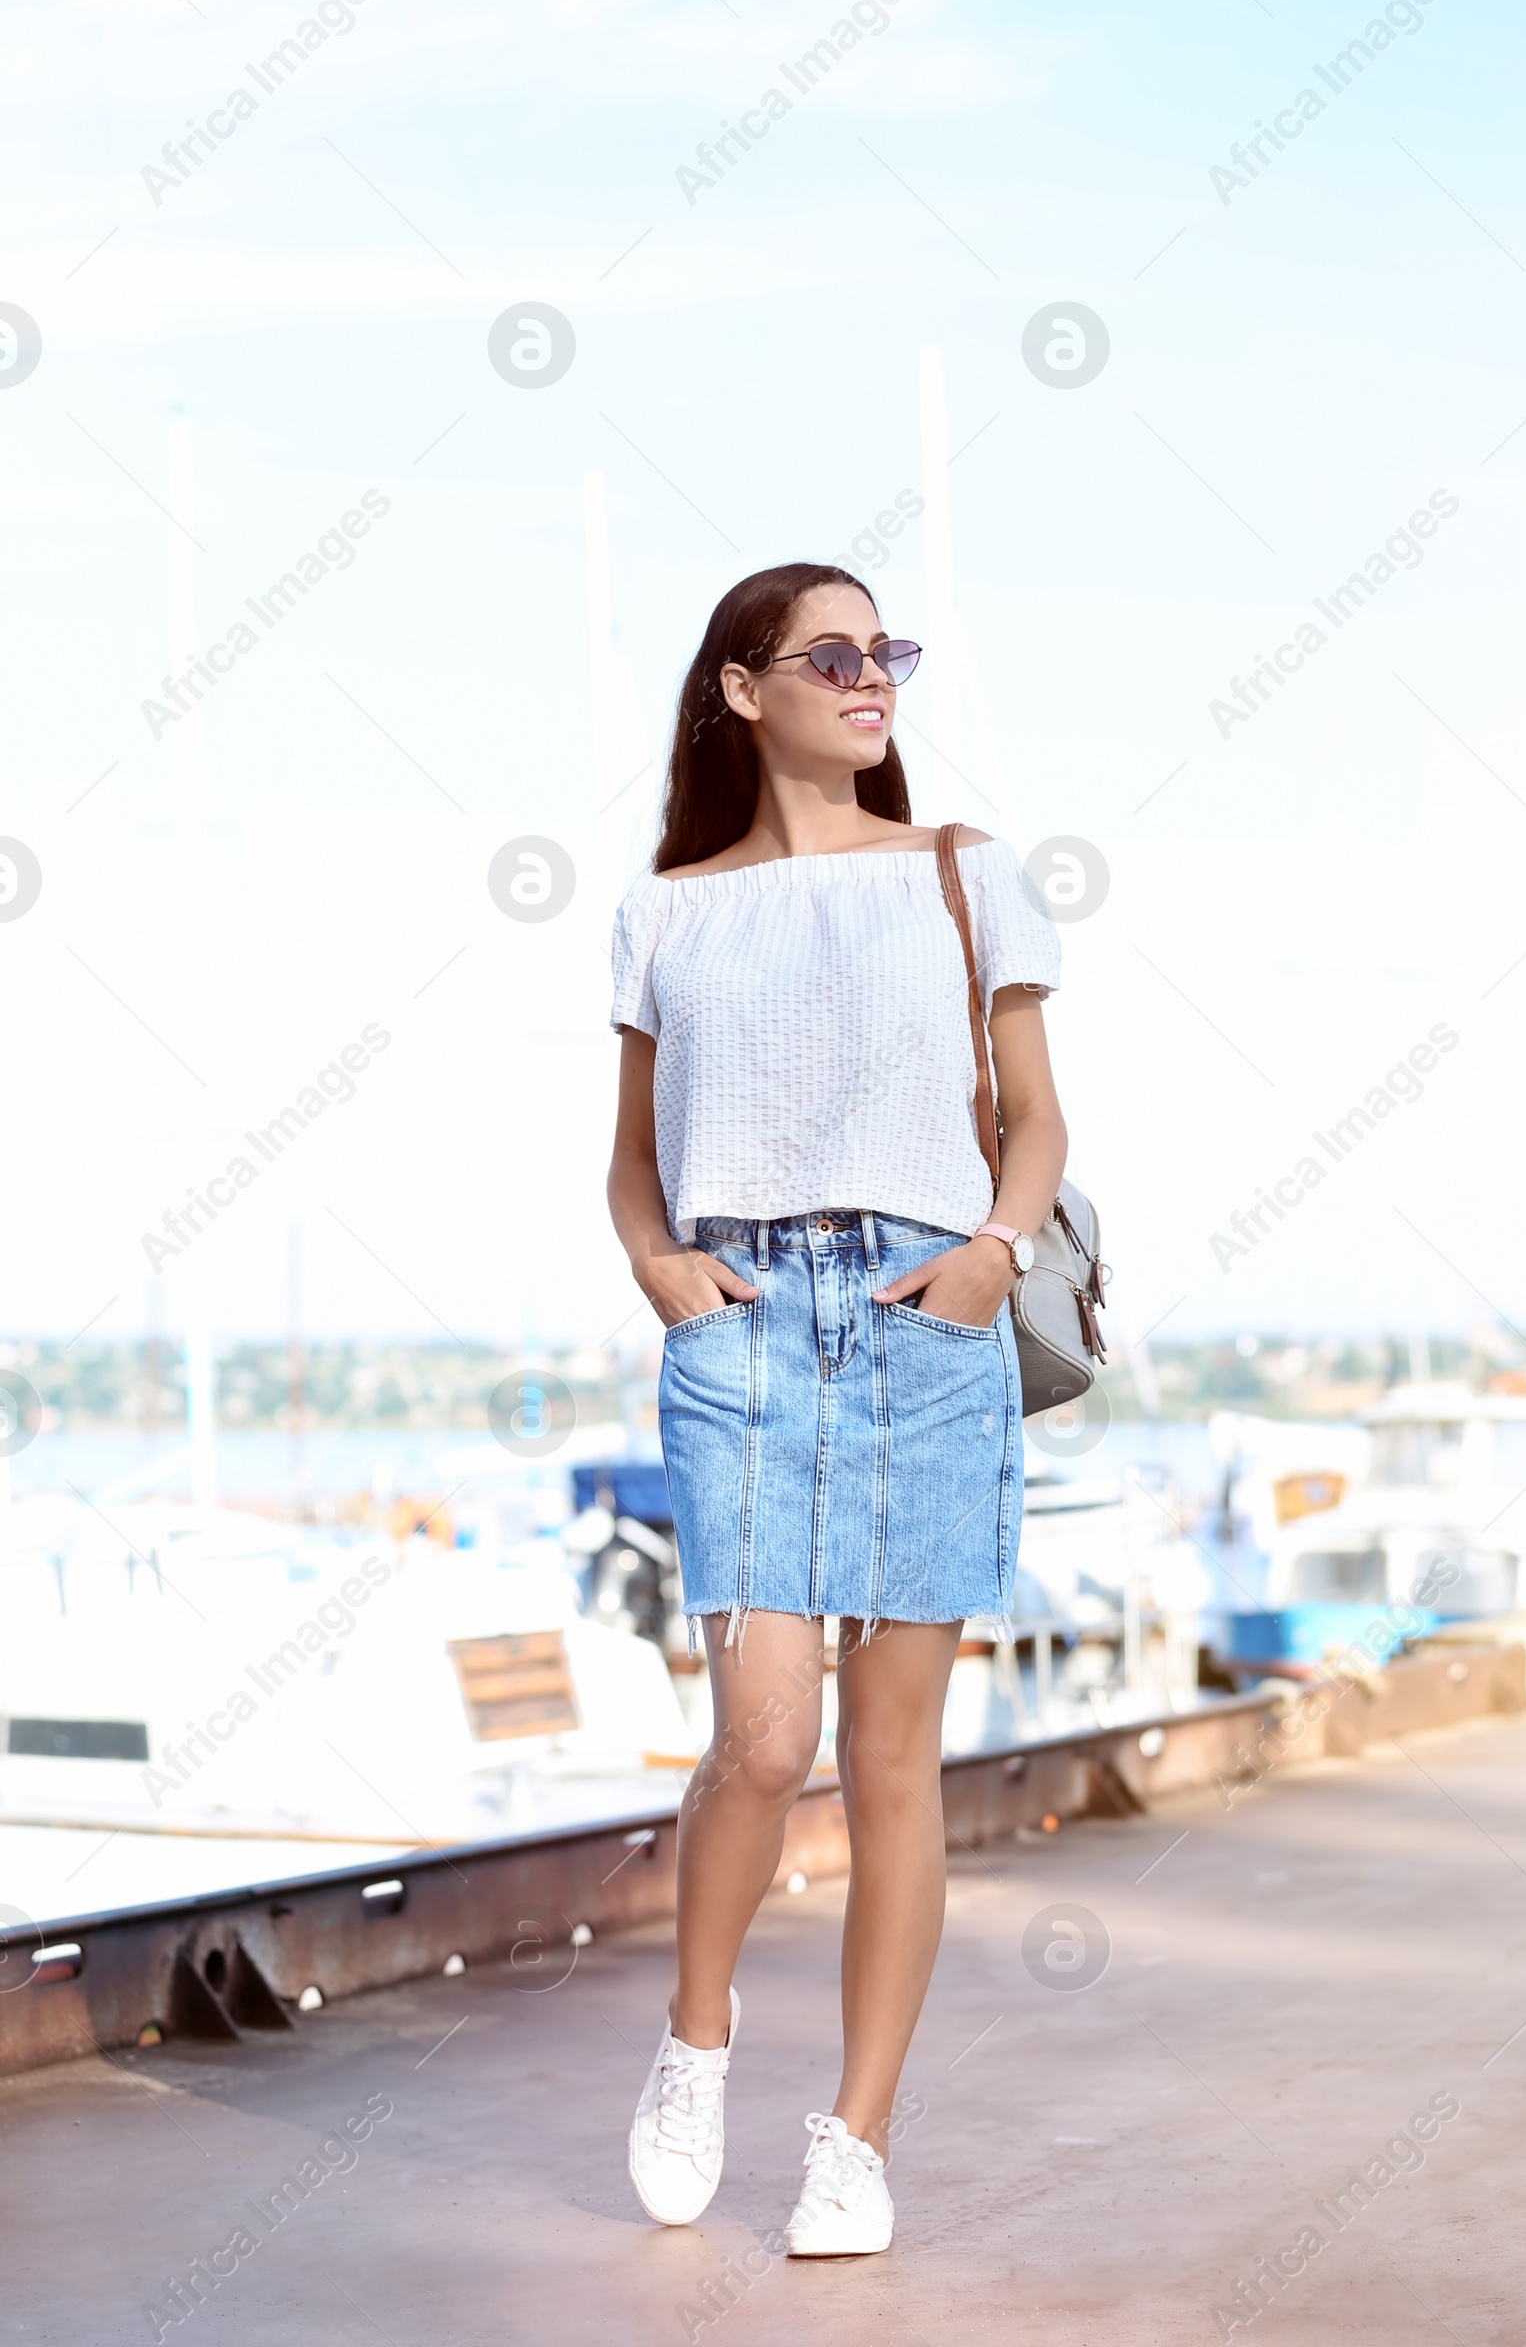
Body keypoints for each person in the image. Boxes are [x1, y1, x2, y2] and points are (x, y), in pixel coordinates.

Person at [606, 562, 1067, 2254]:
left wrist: (991, 1257)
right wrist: (659, 1263)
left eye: (887, 652)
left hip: (924, 1311)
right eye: (834, 653)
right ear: (744, 688)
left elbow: (1033, 1117)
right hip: (740, 1326)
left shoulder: (964, 876)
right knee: (762, 1736)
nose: (873, 677)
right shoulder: (669, 911)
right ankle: (696, 2040)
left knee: (889, 1762)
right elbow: (630, 1157)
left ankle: (857, 2138)